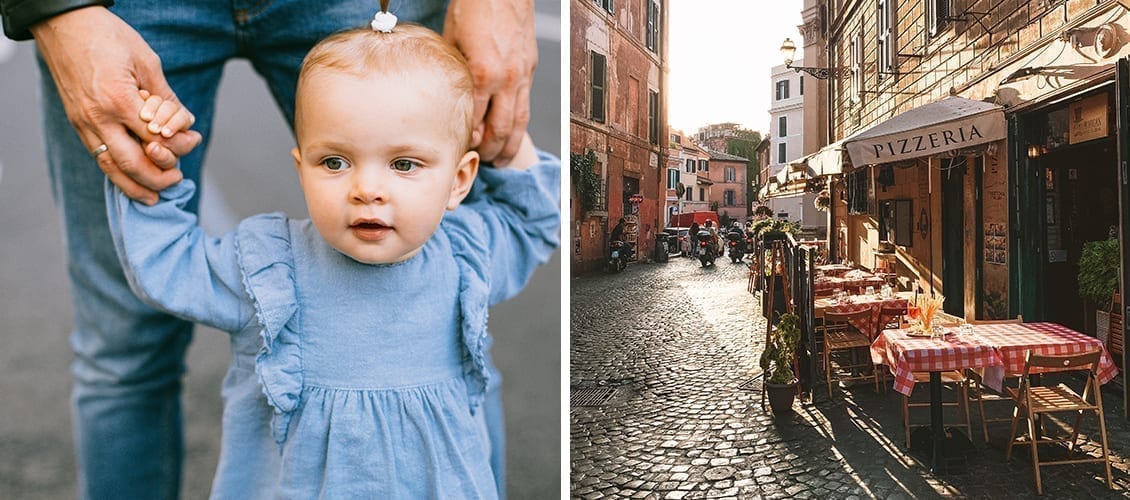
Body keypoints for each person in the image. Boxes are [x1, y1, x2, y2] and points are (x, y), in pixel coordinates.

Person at [0, 0, 537, 497]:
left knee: (470, 346)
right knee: (123, 355)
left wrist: (510, 139)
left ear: (460, 179)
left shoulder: (467, 254)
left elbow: (530, 219)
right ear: (299, 166)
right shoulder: (265, 265)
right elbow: (167, 265)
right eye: (334, 162)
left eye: (404, 164)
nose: (367, 189)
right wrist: (155, 171)